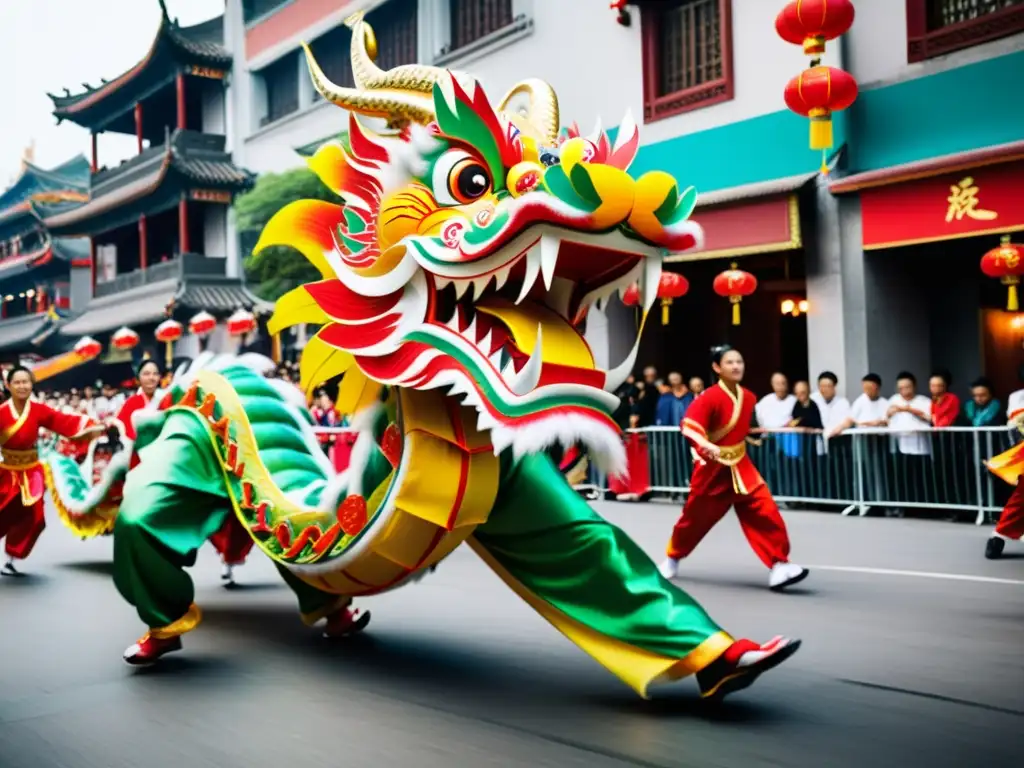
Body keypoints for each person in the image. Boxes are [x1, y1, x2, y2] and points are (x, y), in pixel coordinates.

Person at [659, 346, 809, 591]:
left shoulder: (749, 397)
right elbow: (688, 425)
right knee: (694, 519)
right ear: (717, 368)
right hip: (712, 468)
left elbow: (744, 429)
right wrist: (706, 445)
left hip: (741, 465)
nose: (736, 366)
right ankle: (673, 557)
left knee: (765, 511)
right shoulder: (709, 397)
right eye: (730, 362)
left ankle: (779, 565)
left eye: (739, 361)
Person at [114, 360, 255, 586]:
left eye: (155, 373)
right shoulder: (131, 404)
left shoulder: (170, 397)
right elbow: (127, 435)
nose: (151, 378)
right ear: (138, 378)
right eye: (146, 374)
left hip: (175, 465)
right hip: (143, 466)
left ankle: (225, 558)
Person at [0, 365, 106, 575]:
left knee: (35, 516)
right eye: (17, 382)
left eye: (26, 382)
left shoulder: (38, 409)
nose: (22, 386)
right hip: (5, 470)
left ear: (31, 384)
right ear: (8, 386)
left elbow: (62, 421)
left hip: (31, 470)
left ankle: (11, 557)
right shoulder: (2, 413)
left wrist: (93, 426)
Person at [984, 379, 1024, 559]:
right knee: (1020, 498)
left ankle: (998, 537)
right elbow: (1016, 423)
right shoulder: (1018, 398)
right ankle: (997, 537)